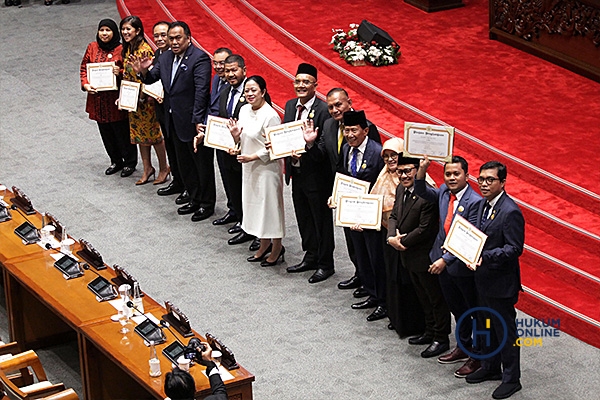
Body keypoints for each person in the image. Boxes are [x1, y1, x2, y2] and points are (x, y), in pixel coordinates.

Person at [132, 21, 215, 222]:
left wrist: (197, 119)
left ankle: (206, 204)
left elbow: (202, 92)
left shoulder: (199, 58)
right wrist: (142, 71)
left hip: (193, 121)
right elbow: (152, 78)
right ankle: (194, 198)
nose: (174, 42)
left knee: (201, 165)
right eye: (171, 38)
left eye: (178, 38)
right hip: (172, 119)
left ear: (188, 38)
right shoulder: (166, 56)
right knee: (184, 163)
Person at [414, 155, 483, 377]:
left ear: (467, 175)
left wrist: (446, 260)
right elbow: (423, 192)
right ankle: (463, 347)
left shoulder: (474, 202)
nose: (451, 178)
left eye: (456, 174)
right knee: (457, 309)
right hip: (441, 261)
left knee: (473, 311)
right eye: (448, 174)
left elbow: (467, 239)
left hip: (460, 266)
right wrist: (422, 171)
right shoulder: (444, 191)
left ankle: (477, 356)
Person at [465, 161, 524, 400]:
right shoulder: (481, 205)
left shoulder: (511, 211)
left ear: (502, 182)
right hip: (481, 279)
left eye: (490, 180)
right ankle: (490, 368)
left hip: (500, 282)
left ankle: (512, 379)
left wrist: (484, 257)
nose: (485, 184)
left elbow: (514, 248)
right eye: (481, 179)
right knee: (485, 326)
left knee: (505, 331)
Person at [387, 155, 450, 358]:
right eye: (400, 171)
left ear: (417, 170)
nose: (404, 176)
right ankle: (429, 331)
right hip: (408, 255)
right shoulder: (400, 189)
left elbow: (425, 229)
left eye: (408, 171)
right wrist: (391, 236)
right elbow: (395, 215)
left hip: (424, 255)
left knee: (435, 298)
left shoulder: (427, 195)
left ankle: (441, 337)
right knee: (422, 296)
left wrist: (401, 241)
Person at [319, 88, 381, 293]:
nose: (335, 110)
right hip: (347, 198)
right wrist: (336, 194)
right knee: (353, 244)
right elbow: (341, 168)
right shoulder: (332, 129)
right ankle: (361, 275)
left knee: (369, 249)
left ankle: (373, 286)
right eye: (331, 107)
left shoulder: (368, 129)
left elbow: (377, 169)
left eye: (339, 104)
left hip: (367, 203)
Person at [330, 110, 385, 321]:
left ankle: (382, 301)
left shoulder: (377, 153)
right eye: (346, 130)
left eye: (354, 130)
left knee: (375, 258)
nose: (350, 134)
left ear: (366, 131)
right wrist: (335, 197)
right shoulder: (346, 149)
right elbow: (344, 177)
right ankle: (370, 292)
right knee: (360, 254)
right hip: (352, 213)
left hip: (372, 216)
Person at [283, 63, 334, 284]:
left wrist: (309, 148)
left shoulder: (323, 110)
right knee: (303, 217)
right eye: (298, 81)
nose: (301, 85)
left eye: (306, 82)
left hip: (317, 175)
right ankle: (310, 255)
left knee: (320, 220)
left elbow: (324, 146)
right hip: (296, 172)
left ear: (315, 85)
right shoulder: (290, 105)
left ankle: (325, 263)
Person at [226, 76, 285, 266]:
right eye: (247, 91)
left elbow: (274, 146)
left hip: (267, 169)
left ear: (263, 92)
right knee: (255, 207)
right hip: (249, 167)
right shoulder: (243, 110)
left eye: (254, 90)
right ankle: (263, 243)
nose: (250, 94)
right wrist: (236, 142)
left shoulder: (271, 115)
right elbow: (243, 138)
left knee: (270, 208)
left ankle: (277, 247)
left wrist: (252, 156)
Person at [373, 138, 426, 336]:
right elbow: (389, 210)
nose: (389, 160)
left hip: (411, 242)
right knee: (393, 278)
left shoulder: (422, 184)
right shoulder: (384, 176)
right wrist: (391, 236)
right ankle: (397, 319)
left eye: (393, 155)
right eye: (385, 156)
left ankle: (417, 325)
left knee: (412, 284)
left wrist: (403, 238)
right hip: (389, 237)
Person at [80, 19, 137, 177]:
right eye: (102, 30)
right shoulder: (92, 47)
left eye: (108, 30)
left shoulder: (122, 48)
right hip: (97, 99)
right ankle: (116, 161)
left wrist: (119, 72)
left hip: (115, 99)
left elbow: (129, 71)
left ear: (114, 32)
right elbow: (84, 67)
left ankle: (130, 162)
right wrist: (85, 84)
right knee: (106, 132)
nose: (104, 34)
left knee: (121, 131)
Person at [120, 16, 169, 186]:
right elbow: (128, 74)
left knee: (154, 136)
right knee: (139, 135)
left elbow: (149, 78)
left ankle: (164, 168)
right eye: (124, 29)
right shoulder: (128, 48)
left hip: (147, 100)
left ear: (138, 31)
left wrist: (140, 96)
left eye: (129, 29)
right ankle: (147, 168)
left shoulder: (145, 50)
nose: (125, 32)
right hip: (132, 99)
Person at [218, 55, 255, 247]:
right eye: (227, 71)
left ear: (244, 70)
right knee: (234, 189)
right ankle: (243, 223)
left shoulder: (252, 92)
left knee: (250, 193)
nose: (231, 74)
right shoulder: (225, 92)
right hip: (228, 151)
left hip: (248, 154)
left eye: (234, 70)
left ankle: (255, 231)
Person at [153, 21, 186, 199]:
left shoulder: (188, 58)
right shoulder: (161, 56)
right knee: (172, 150)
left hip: (181, 114)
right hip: (165, 111)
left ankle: (187, 187)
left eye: (164, 35)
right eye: (156, 35)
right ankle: (177, 181)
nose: (161, 39)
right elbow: (151, 78)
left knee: (183, 155)